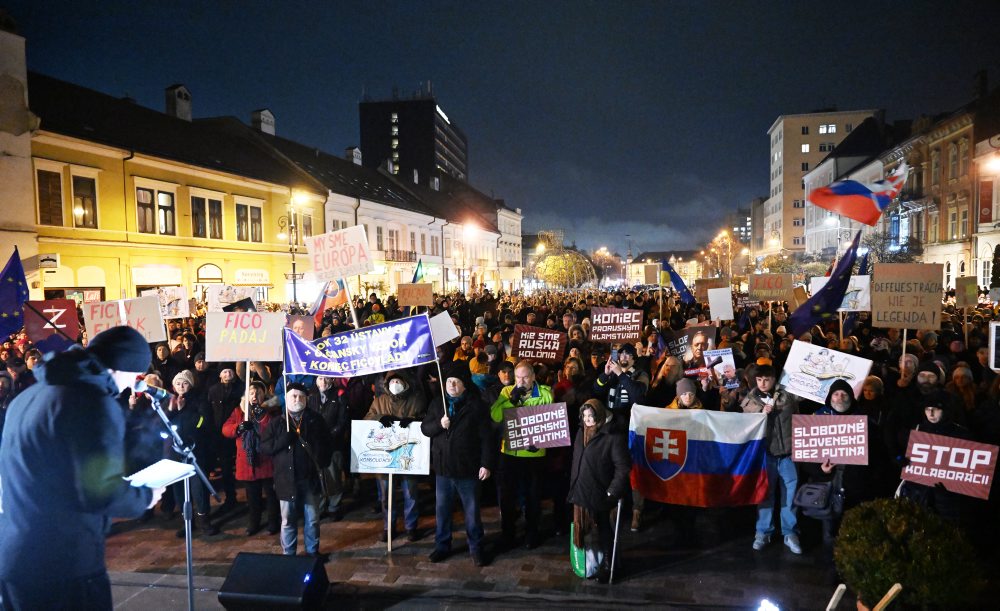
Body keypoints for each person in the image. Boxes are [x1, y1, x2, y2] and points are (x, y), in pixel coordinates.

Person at [0, 326, 164, 610]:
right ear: (121, 367)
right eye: (133, 375)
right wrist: (145, 497)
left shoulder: (29, 396)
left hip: (15, 557)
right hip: (64, 565)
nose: (129, 386)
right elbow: (100, 490)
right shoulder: (91, 402)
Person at [421, 364, 495, 566]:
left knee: (471, 513)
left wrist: (486, 464)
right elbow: (425, 428)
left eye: (456, 382)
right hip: (443, 469)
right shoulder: (438, 404)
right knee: (442, 511)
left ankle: (476, 548)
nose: (451, 385)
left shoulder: (476, 406)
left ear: (464, 385)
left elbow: (486, 438)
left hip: (467, 469)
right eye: (448, 382)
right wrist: (439, 425)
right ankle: (442, 545)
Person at [261, 382, 334, 561]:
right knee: (287, 521)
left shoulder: (315, 419)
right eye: (293, 396)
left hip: (309, 479)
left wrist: (322, 459)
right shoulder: (277, 422)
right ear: (286, 398)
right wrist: (283, 440)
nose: (297, 399)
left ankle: (312, 550)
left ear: (306, 399)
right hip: (286, 479)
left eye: (301, 396)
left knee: (312, 519)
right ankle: (289, 555)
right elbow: (265, 447)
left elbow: (327, 443)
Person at [490, 360, 554, 549]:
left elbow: (550, 420)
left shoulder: (545, 393)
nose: (521, 381)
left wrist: (540, 441)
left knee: (532, 497)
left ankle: (532, 533)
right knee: (507, 497)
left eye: (525, 377)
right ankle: (507, 534)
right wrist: (512, 400)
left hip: (533, 455)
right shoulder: (506, 392)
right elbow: (495, 416)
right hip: (509, 453)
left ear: (533, 376)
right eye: (518, 377)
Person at [567, 399, 630, 584]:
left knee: (604, 530)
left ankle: (610, 565)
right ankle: (589, 563)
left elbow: (623, 467)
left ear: (600, 416)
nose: (588, 420)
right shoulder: (581, 433)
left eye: (591, 416)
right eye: (585, 416)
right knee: (585, 530)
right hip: (581, 491)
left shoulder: (612, 437)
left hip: (601, 493)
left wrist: (612, 492)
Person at [740, 364, 801, 554]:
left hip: (789, 454)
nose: (763, 383)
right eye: (759, 380)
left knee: (790, 496)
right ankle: (763, 532)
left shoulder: (787, 395)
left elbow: (805, 399)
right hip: (766, 455)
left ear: (774, 379)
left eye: (767, 379)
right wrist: (760, 414)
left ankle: (790, 532)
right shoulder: (750, 400)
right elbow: (745, 425)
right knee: (765, 495)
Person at [364, 369, 428, 542]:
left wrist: (415, 421)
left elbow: (426, 420)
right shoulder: (379, 401)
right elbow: (367, 420)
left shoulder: (417, 399)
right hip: (386, 457)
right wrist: (379, 418)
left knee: (411, 493)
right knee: (386, 495)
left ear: (406, 382)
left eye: (398, 381)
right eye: (391, 381)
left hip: (409, 457)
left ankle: (411, 526)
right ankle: (388, 526)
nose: (395, 384)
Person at [222, 381, 280, 536]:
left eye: (258, 392)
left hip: (266, 459)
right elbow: (226, 429)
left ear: (264, 394)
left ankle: (274, 522)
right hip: (247, 461)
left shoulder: (272, 410)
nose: (254, 396)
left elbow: (272, 429)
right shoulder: (239, 411)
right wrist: (238, 428)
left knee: (271, 496)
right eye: (251, 393)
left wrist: (262, 417)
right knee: (252, 498)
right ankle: (254, 523)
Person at [309, 375, 349, 520]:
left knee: (333, 475)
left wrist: (330, 435)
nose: (323, 381)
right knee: (317, 476)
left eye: (326, 378)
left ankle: (334, 506)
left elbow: (342, 419)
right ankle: (320, 506)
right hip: (315, 444)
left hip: (333, 443)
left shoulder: (339, 394)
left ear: (332, 379)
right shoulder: (310, 394)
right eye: (320, 378)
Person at [207, 367, 243, 513]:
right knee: (226, 467)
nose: (228, 374)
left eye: (230, 372)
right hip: (219, 433)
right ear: (220, 375)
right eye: (225, 372)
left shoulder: (239, 388)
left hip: (236, 430)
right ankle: (230, 497)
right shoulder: (213, 390)